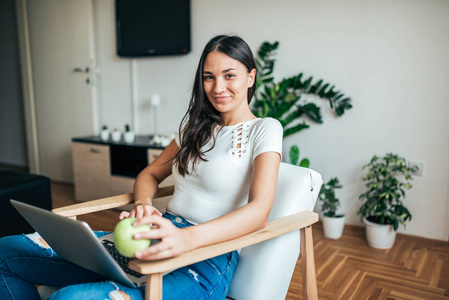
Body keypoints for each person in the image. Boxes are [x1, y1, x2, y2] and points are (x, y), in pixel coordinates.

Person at [0, 34, 283, 300]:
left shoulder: (264, 129)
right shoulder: (194, 129)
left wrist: (185, 239)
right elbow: (149, 174)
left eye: (229, 75)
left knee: (70, 298)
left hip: (207, 258)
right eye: (209, 77)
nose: (217, 87)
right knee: (5, 252)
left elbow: (259, 212)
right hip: (153, 237)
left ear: (251, 76)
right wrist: (145, 203)